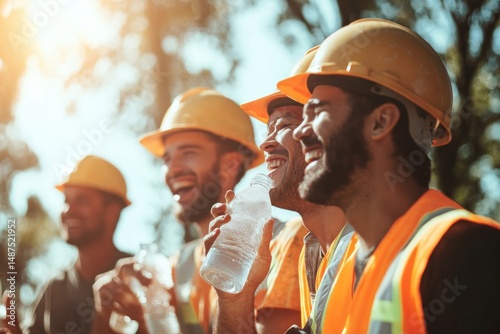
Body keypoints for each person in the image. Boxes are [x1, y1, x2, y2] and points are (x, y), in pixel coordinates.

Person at [208, 18, 500, 334]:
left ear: (381, 121)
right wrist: (235, 299)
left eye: (317, 110)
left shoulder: (466, 251)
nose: (304, 130)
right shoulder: (340, 275)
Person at [93, 87, 312, 334]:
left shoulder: (290, 242)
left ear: (230, 164)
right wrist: (127, 315)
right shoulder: (179, 266)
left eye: (188, 153)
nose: (172, 169)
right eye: (167, 159)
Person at [240, 45, 355, 332]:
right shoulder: (313, 252)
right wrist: (236, 298)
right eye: (268, 130)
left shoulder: (370, 245)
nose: (265, 144)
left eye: (285, 124)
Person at [21, 155, 131, 334]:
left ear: (112, 212)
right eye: (66, 200)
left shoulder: (135, 278)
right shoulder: (54, 287)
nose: (68, 210)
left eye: (82, 200)